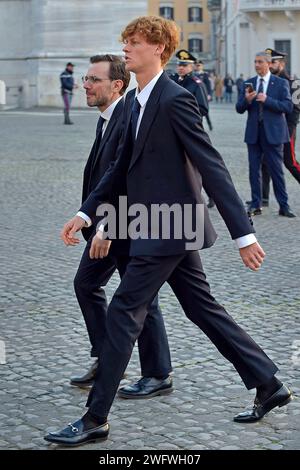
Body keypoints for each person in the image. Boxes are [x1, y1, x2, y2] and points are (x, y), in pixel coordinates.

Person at [46, 16, 292, 447]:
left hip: (169, 227)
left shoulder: (174, 99)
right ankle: (268, 383)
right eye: (125, 42)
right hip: (152, 226)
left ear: (158, 49)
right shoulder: (135, 102)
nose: (127, 48)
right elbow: (118, 169)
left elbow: (211, 165)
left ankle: (95, 418)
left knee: (123, 312)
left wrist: (244, 234)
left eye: (135, 42)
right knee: (203, 309)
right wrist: (86, 215)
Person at [69, 54, 173, 393]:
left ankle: (157, 373)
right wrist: (86, 214)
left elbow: (129, 177)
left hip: (123, 224)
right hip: (104, 224)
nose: (85, 85)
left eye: (93, 80)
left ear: (117, 85)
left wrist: (106, 226)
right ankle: (106, 359)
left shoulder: (129, 114)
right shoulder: (106, 117)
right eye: (85, 79)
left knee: (142, 298)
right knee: (86, 284)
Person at [236, 51, 295, 218]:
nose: (256, 65)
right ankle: (256, 204)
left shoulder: (281, 83)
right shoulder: (249, 83)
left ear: (268, 64)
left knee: (277, 170)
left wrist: (267, 100)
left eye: (260, 62)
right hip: (254, 134)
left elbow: (287, 107)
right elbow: (239, 109)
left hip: (274, 134)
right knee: (254, 170)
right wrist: (247, 100)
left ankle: (284, 205)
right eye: (255, 62)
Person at [261, 48, 300, 204]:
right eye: (269, 62)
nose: (270, 65)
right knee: (264, 162)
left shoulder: (294, 83)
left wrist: (288, 133)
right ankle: (264, 198)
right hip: (269, 130)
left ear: (282, 64)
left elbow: (296, 111)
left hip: (286, 130)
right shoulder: (266, 81)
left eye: (274, 62)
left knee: (290, 162)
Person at [170, 49, 208, 118]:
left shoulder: (197, 84)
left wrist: (183, 112)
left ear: (191, 67)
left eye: (184, 65)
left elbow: (203, 109)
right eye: (179, 65)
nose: (181, 68)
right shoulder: (172, 81)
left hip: (188, 124)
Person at [194, 59, 213, 131]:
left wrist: (209, 94)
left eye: (199, 65)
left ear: (202, 66)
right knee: (197, 111)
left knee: (205, 111)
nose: (197, 67)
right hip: (195, 96)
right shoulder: (193, 74)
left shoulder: (205, 75)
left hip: (204, 95)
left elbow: (208, 86)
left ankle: (209, 124)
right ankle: (199, 126)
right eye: (196, 65)